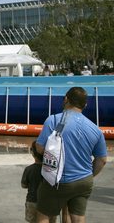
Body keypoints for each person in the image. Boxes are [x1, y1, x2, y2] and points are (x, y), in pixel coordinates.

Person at [35, 87, 107, 223]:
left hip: (58, 181)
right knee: (78, 217)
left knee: (44, 215)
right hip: (84, 181)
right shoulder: (95, 129)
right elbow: (102, 160)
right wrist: (88, 175)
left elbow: (39, 148)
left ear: (66, 99)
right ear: (85, 105)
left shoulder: (53, 120)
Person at [22, 141, 56, 223]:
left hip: (32, 201)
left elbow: (24, 185)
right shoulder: (52, 169)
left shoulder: (29, 169)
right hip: (50, 202)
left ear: (33, 153)